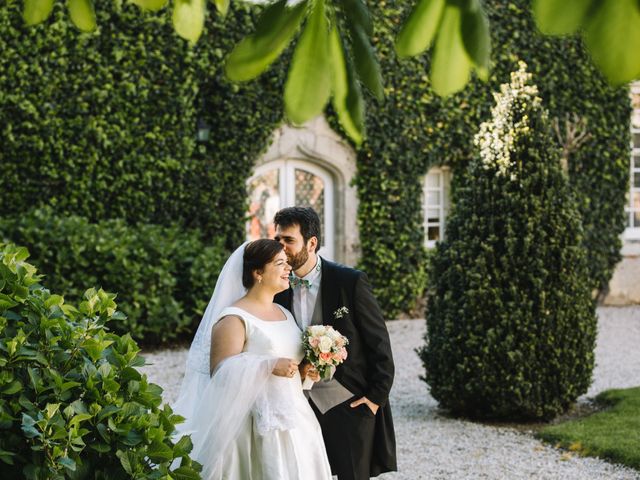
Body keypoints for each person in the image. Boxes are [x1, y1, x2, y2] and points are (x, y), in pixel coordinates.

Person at [172, 239, 332, 480]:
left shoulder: (285, 314)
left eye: (287, 262)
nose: (288, 268)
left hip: (294, 420)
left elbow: (287, 369)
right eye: (280, 263)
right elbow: (220, 373)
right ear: (258, 272)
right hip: (249, 427)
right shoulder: (234, 318)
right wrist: (268, 365)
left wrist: (303, 371)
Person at [273, 207, 397, 480]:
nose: (281, 248)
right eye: (277, 240)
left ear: (312, 242)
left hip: (348, 402)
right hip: (296, 402)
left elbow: (379, 344)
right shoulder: (276, 287)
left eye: (288, 240)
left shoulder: (349, 282)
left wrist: (375, 399)